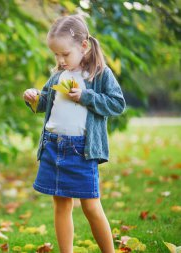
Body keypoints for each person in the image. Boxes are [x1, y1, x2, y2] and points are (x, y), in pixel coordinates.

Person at [23, 15, 125, 253]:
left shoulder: (99, 75)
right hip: (53, 145)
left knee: (91, 206)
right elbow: (46, 103)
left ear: (83, 45)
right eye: (56, 55)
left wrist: (86, 96)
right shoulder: (58, 75)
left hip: (81, 150)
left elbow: (117, 104)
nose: (60, 60)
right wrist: (34, 98)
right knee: (60, 204)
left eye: (65, 54)